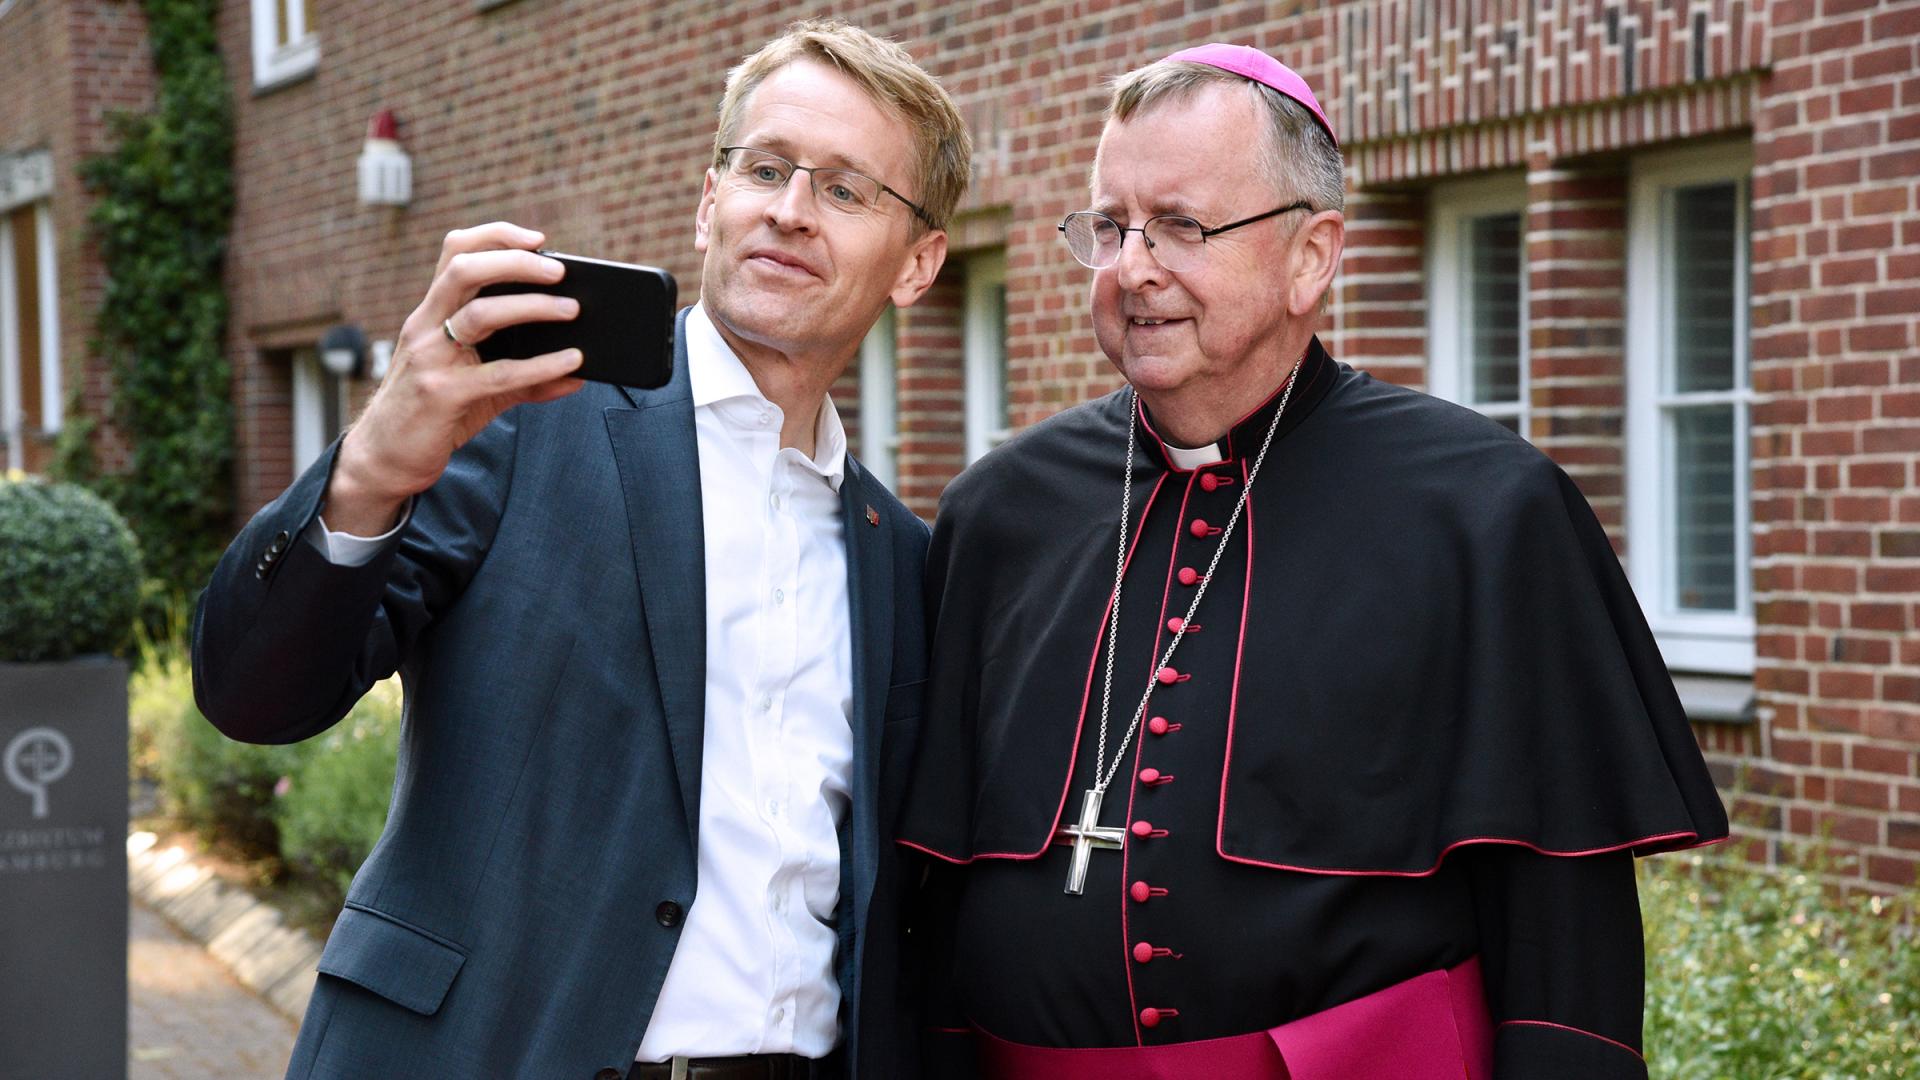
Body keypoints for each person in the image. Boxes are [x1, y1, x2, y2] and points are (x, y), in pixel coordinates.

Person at [898, 43, 1728, 1080]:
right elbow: (928, 919)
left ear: (1312, 256)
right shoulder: (999, 512)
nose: (1134, 268)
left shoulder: (1483, 510)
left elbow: (1565, 950)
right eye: (1110, 227)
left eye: (1183, 227)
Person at [193, 20, 967, 1080]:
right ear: (709, 200)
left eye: (843, 191)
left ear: (919, 262)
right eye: (767, 168)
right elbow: (253, 694)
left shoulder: (898, 559)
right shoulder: (517, 422)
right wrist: (373, 463)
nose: (788, 210)